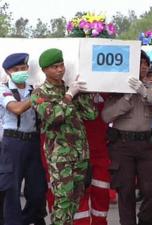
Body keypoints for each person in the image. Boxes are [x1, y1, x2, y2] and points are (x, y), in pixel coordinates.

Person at [101, 50, 152, 225]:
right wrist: (126, 97)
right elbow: (106, 116)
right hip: (122, 144)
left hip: (146, 144)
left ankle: (145, 220)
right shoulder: (117, 89)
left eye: (146, 64)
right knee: (125, 192)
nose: (144, 67)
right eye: (140, 64)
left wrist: (145, 93)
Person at [31, 48, 98, 225]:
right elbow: (54, 117)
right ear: (45, 70)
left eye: (61, 65)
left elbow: (91, 115)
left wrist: (83, 93)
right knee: (63, 200)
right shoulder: (39, 93)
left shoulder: (71, 89)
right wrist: (69, 96)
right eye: (55, 67)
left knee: (76, 198)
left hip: (80, 153)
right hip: (60, 155)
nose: (60, 69)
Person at [0, 53, 47, 225]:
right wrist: (37, 95)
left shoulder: (32, 88)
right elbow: (17, 108)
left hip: (33, 143)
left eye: (23, 68)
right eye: (16, 69)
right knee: (11, 189)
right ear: (8, 71)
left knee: (37, 189)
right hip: (12, 143)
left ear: (28, 69)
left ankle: (27, 220)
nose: (20, 71)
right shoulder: (3, 89)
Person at [73, 93, 111, 225]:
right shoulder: (71, 91)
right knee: (79, 194)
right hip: (77, 151)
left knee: (101, 192)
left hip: (100, 150)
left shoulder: (106, 92)